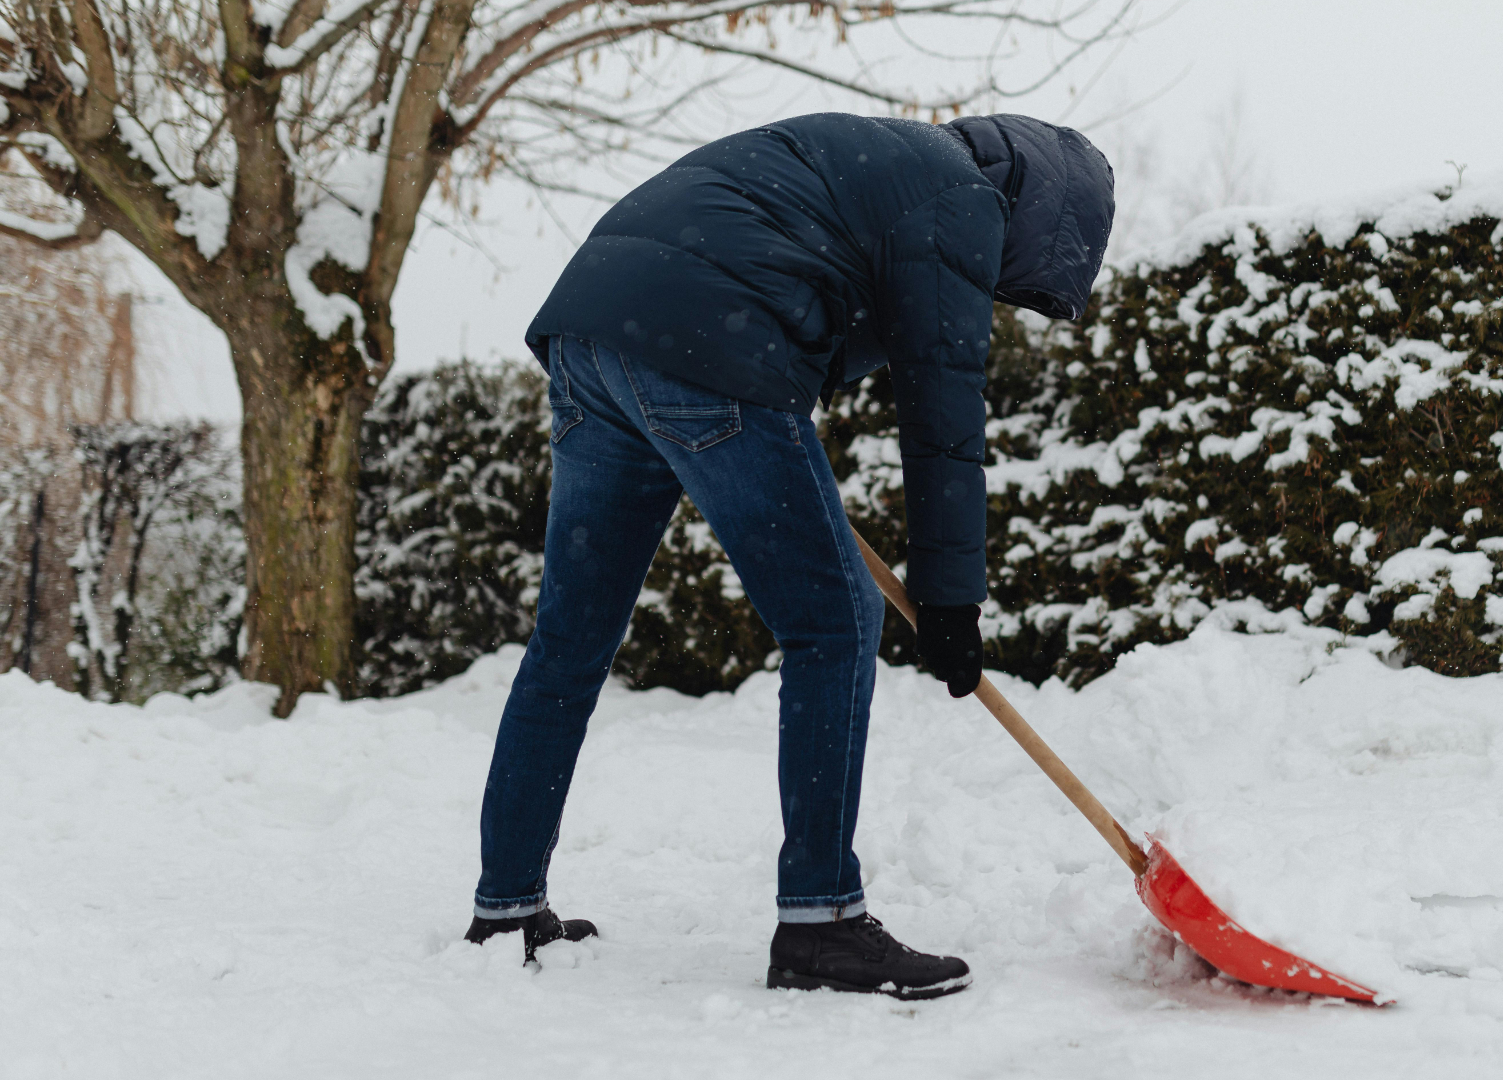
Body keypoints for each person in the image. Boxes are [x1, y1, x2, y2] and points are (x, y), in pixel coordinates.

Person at [461, 112, 1115, 1000]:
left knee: (568, 644)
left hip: (592, 338)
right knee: (836, 621)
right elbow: (944, 415)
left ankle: (505, 908)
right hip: (706, 340)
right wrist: (951, 600)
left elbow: (810, 313)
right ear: (1041, 214)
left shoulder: (883, 161)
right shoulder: (963, 200)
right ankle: (821, 924)